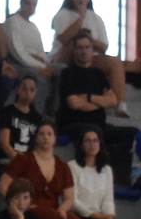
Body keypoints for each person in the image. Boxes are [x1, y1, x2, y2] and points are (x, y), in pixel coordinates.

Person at [0, 119, 85, 219]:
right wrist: (18, 204)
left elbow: (69, 197)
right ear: (36, 138)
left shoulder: (62, 166)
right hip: (30, 206)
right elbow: (2, 185)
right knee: (51, 216)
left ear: (55, 138)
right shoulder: (23, 159)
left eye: (49, 134)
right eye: (41, 134)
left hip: (55, 209)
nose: (46, 137)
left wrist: (63, 208)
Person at [55, 33, 130, 167]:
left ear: (92, 50)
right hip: (72, 125)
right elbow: (74, 104)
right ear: (74, 50)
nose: (84, 51)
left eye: (87, 47)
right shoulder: (67, 74)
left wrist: (89, 98)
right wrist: (101, 103)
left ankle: (121, 175)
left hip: (99, 124)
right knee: (94, 131)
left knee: (132, 133)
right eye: (80, 47)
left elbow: (113, 100)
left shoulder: (98, 74)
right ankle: (100, 170)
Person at [69, 126, 128, 219]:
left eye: (95, 140)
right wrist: (95, 216)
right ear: (81, 145)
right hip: (81, 216)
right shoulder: (72, 166)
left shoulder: (106, 170)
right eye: (88, 141)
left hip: (100, 217)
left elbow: (108, 199)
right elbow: (74, 201)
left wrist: (108, 215)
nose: (92, 144)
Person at [2, 0, 50, 110]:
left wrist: (44, 63)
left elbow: (41, 51)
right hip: (17, 63)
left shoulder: (34, 27)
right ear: (21, 3)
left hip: (35, 63)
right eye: (28, 3)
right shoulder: (13, 21)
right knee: (40, 78)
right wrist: (40, 66)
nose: (30, 7)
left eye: (34, 4)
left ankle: (52, 111)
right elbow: (17, 51)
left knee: (59, 71)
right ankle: (36, 113)